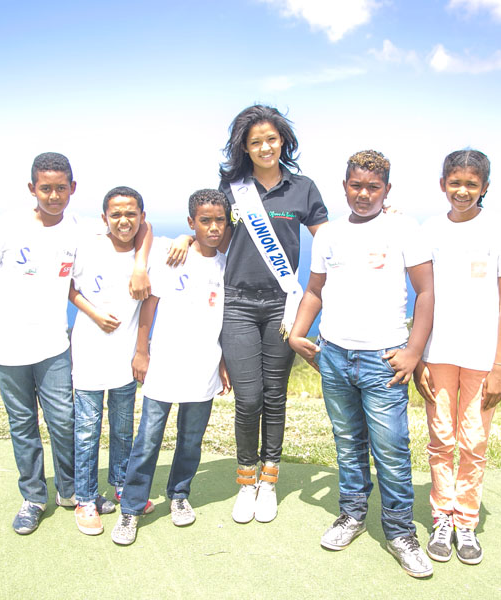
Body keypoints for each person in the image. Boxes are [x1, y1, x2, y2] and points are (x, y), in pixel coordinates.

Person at [0, 153, 150, 535]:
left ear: (73, 188)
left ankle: (71, 493)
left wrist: (140, 265)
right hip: (6, 345)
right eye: (45, 188)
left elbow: (141, 226)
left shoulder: (79, 230)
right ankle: (34, 497)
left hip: (54, 345)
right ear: (32, 189)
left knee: (65, 422)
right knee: (22, 424)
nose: (54, 195)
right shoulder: (5, 225)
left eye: (61, 188)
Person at [288, 150, 435, 578]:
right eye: (356, 186)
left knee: (391, 450)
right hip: (333, 355)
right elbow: (314, 290)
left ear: (387, 189)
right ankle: (352, 514)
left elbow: (426, 292)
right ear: (345, 186)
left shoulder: (405, 228)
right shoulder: (329, 234)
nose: (364, 194)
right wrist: (298, 333)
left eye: (373, 187)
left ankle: (400, 532)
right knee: (348, 442)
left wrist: (414, 350)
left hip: (383, 358)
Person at [215, 104, 328, 524]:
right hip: (239, 304)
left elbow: (331, 240)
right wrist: (181, 241)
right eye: (255, 141)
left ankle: (269, 480)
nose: (265, 146)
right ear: (244, 146)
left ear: (283, 141)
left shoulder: (303, 188)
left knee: (274, 397)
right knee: (248, 399)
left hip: (285, 304)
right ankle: (246, 482)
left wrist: (379, 223)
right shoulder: (231, 188)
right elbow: (212, 235)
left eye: (272, 139)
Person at [415, 149, 501, 566]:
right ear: (442, 184)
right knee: (441, 440)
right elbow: (423, 298)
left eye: (472, 184)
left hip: (482, 359)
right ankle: (442, 517)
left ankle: (467, 522)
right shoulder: (429, 229)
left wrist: (500, 366)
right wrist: (419, 357)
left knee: (474, 443)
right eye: (455, 182)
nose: (462, 191)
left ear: (485, 187)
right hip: (437, 353)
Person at [111, 189, 232, 546]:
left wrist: (223, 362)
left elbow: (223, 320)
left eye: (219, 220)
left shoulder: (227, 262)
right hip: (164, 365)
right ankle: (131, 509)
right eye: (204, 221)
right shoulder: (172, 253)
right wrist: (141, 352)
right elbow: (149, 305)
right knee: (147, 441)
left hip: (205, 367)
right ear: (191, 222)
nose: (213, 227)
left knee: (191, 440)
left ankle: (179, 494)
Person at [68, 186, 155, 536]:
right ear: (104, 218)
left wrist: (139, 264)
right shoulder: (88, 246)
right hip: (89, 354)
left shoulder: (146, 251)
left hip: (124, 359)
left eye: (131, 213)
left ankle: (121, 485)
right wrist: (94, 313)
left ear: (142, 217)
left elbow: (162, 237)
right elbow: (68, 288)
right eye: (116, 214)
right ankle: (86, 499)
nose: (124, 220)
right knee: (88, 431)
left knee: (122, 429)